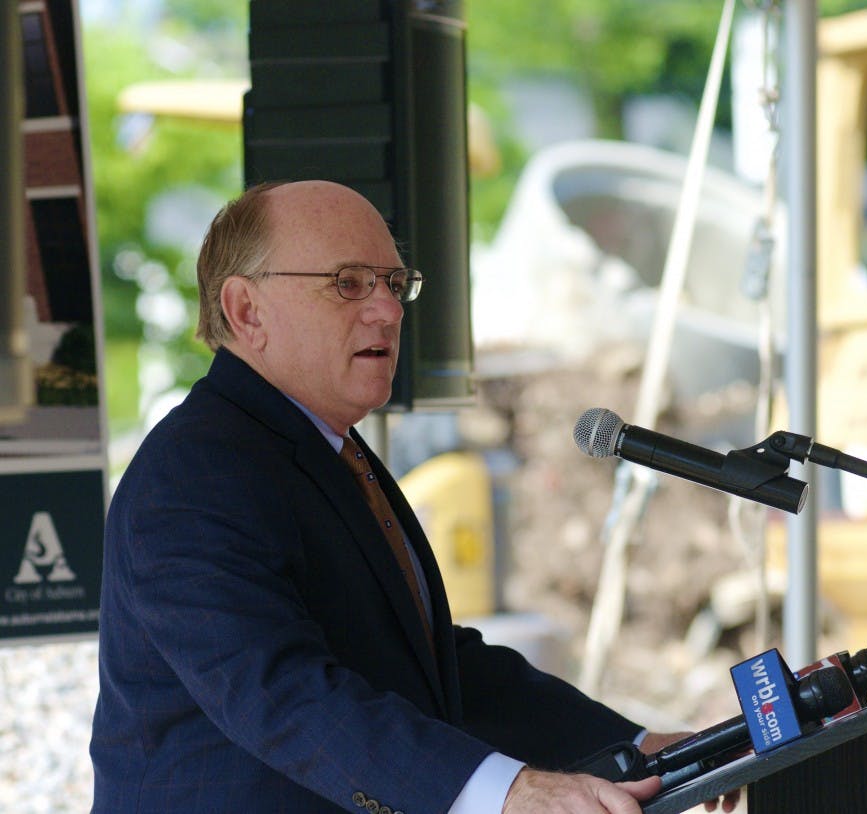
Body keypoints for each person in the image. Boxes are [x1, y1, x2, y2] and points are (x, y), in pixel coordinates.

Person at [90, 180, 740, 814]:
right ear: (246, 311)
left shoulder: (328, 449)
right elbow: (281, 693)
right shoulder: (195, 471)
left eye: (395, 284)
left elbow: (435, 665)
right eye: (348, 283)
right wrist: (508, 794)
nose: (389, 310)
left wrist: (633, 746)